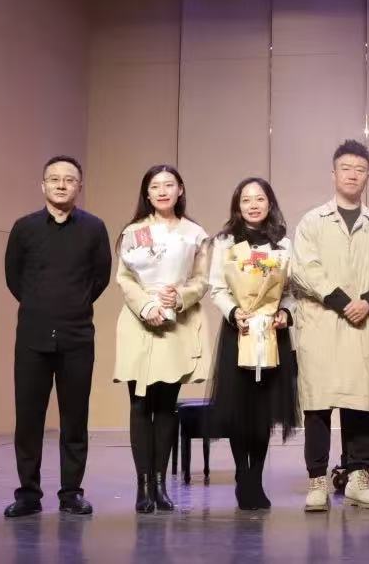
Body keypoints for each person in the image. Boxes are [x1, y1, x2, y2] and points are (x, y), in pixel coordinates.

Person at [3, 156, 111, 518]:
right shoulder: (24, 228)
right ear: (43, 185)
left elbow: (100, 277)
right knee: (28, 420)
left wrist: (73, 304)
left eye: (69, 179)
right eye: (54, 179)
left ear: (79, 186)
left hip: (77, 336)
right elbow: (14, 277)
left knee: (75, 420)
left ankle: (71, 493)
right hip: (32, 337)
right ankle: (28, 495)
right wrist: (40, 305)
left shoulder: (94, 228)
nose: (61, 185)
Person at [291, 139, 369, 511]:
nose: (352, 175)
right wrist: (342, 302)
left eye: (360, 169)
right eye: (346, 168)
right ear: (333, 174)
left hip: (364, 323)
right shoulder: (312, 222)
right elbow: (305, 269)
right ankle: (317, 481)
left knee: (360, 403)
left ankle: (357, 477)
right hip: (322, 323)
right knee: (318, 405)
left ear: (368, 176)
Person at [113, 164, 210, 514]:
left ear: (180, 189)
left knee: (167, 405)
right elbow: (125, 278)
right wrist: (146, 306)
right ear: (147, 193)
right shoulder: (133, 232)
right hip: (139, 322)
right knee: (140, 404)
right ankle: (143, 487)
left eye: (169, 185)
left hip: (175, 322)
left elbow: (201, 280)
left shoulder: (195, 233)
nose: (163, 191)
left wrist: (179, 296)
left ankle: (160, 484)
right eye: (155, 186)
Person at [208, 177, 300, 510]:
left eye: (259, 199)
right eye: (246, 200)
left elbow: (291, 291)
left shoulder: (283, 243)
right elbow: (217, 287)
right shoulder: (225, 242)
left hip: (272, 333)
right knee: (239, 408)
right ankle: (242, 475)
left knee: (263, 410)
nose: (253, 205)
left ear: (269, 203)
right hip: (240, 331)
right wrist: (235, 312)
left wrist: (285, 313)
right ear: (238, 205)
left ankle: (256, 477)